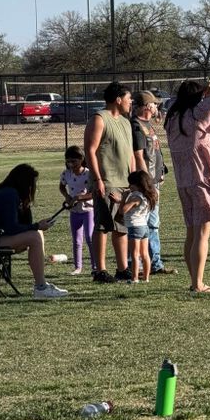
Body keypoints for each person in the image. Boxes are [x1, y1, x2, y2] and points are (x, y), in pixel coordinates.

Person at [164, 78, 210, 294]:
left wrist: (201, 91)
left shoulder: (173, 117)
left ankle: (195, 279)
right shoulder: (197, 113)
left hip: (184, 183)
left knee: (192, 233)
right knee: (202, 234)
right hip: (202, 181)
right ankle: (197, 284)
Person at [84, 81, 135, 284]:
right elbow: (90, 150)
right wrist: (98, 179)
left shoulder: (125, 121)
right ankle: (100, 270)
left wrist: (134, 180)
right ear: (118, 99)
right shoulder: (99, 118)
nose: (131, 103)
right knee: (103, 225)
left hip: (124, 182)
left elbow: (130, 153)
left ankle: (123, 268)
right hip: (106, 180)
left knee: (121, 225)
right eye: (129, 99)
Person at [0, 164, 68, 299]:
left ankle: (41, 284)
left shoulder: (12, 194)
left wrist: (26, 206)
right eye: (33, 184)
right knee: (35, 236)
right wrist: (36, 226)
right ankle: (41, 287)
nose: (34, 188)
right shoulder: (9, 194)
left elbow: (21, 225)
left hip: (0, 236)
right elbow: (11, 228)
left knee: (37, 234)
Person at [131, 91, 177, 275]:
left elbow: (155, 150)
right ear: (147, 106)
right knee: (147, 223)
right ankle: (149, 264)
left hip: (153, 179)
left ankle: (153, 263)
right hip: (146, 182)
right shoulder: (136, 126)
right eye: (154, 104)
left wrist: (162, 170)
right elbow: (139, 155)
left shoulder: (147, 124)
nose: (157, 107)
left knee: (152, 223)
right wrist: (147, 182)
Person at [59, 145, 97, 275]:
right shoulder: (66, 174)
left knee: (90, 238)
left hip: (88, 211)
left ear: (81, 159)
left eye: (74, 161)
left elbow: (93, 193)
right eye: (68, 161)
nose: (71, 164)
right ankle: (77, 267)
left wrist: (78, 197)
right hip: (74, 212)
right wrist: (68, 197)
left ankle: (95, 266)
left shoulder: (88, 174)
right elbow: (62, 187)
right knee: (76, 240)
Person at [119, 170, 157, 283]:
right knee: (145, 254)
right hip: (144, 227)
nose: (129, 186)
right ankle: (146, 278)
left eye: (131, 184)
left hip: (134, 227)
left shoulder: (135, 196)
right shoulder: (147, 196)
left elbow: (122, 210)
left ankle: (134, 278)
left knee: (134, 254)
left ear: (138, 185)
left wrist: (123, 198)